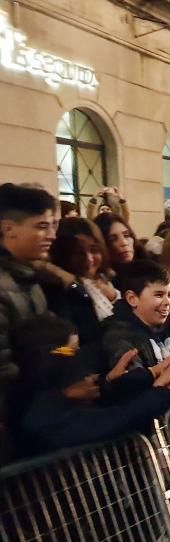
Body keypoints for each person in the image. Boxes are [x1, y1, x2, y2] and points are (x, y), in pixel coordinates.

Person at [12, 314, 170, 455]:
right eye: (72, 352)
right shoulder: (38, 415)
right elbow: (113, 419)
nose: (79, 360)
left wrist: (148, 376)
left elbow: (106, 401)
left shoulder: (54, 397)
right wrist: (167, 391)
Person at [0, 182, 56, 463]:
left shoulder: (29, 279)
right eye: (41, 226)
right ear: (8, 228)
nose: (51, 235)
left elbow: (47, 348)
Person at [38, 217, 120, 347]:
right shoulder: (60, 292)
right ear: (62, 253)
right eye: (78, 253)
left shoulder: (107, 282)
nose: (89, 259)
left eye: (94, 250)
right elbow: (63, 350)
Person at [101, 260, 170, 376]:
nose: (168, 302)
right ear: (132, 299)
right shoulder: (118, 336)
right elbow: (134, 382)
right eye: (159, 295)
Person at [94, 213, 145, 282]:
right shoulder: (102, 283)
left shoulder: (150, 271)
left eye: (126, 235)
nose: (124, 243)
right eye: (112, 239)